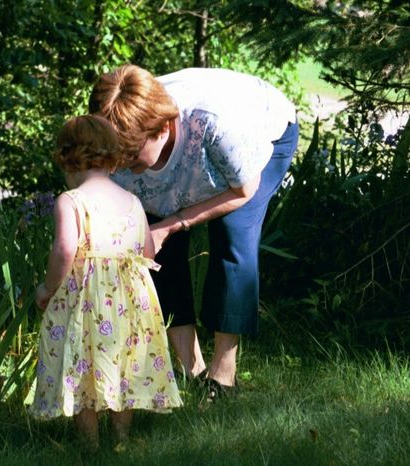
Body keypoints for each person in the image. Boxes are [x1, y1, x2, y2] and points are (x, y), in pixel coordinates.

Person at [88, 64, 299, 401]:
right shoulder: (114, 141)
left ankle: (223, 376)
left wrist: (174, 223)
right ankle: (194, 372)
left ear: (161, 129)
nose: (120, 165)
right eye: (115, 155)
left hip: (262, 138)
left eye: (130, 154)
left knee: (233, 235)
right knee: (157, 249)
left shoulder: (214, 124)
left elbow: (243, 191)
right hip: (189, 166)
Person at [29, 114, 182, 449]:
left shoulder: (71, 201)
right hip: (129, 303)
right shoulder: (133, 201)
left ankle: (89, 443)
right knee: (122, 363)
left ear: (67, 158)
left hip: (88, 301)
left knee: (83, 362)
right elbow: (147, 250)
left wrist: (48, 288)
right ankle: (121, 438)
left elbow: (65, 249)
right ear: (113, 158)